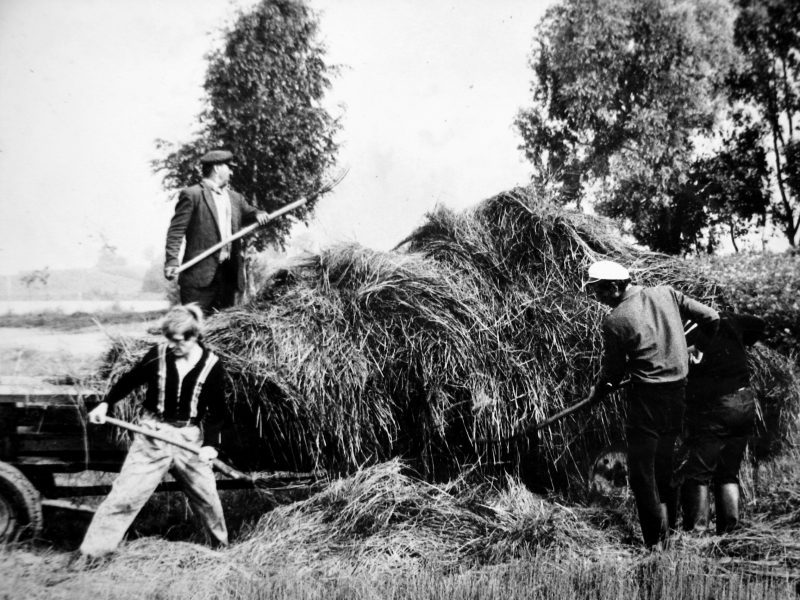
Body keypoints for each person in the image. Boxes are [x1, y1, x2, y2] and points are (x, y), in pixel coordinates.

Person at [584, 260, 720, 549]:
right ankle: (668, 532)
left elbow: (613, 373)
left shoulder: (615, 320)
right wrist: (698, 349)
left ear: (615, 286)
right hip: (677, 395)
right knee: (664, 466)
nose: (598, 298)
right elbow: (713, 318)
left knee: (642, 474)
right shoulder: (666, 293)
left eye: (598, 291)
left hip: (647, 400)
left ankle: (654, 544)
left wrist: (598, 393)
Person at [79, 304, 230, 558]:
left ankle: (221, 552)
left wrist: (211, 445)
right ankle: (92, 554)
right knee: (125, 496)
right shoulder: (158, 354)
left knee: (208, 499)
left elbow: (218, 410)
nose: (173, 346)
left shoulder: (212, 365)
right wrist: (105, 403)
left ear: (194, 337)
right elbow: (129, 380)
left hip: (188, 440)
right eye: (169, 340)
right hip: (153, 435)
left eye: (179, 341)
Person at [678, 312, 766, 534]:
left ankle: (697, 535)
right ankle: (730, 532)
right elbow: (759, 324)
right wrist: (741, 343)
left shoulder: (684, 334)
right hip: (745, 401)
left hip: (716, 407)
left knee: (698, 473)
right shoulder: (727, 318)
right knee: (728, 472)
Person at [164, 149, 269, 314]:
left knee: (223, 333)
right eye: (229, 167)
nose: (232, 171)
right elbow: (176, 231)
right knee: (195, 330)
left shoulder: (235, 198)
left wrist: (258, 214)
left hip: (228, 277)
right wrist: (171, 261)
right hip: (199, 279)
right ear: (217, 168)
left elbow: (250, 212)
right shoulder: (192, 195)